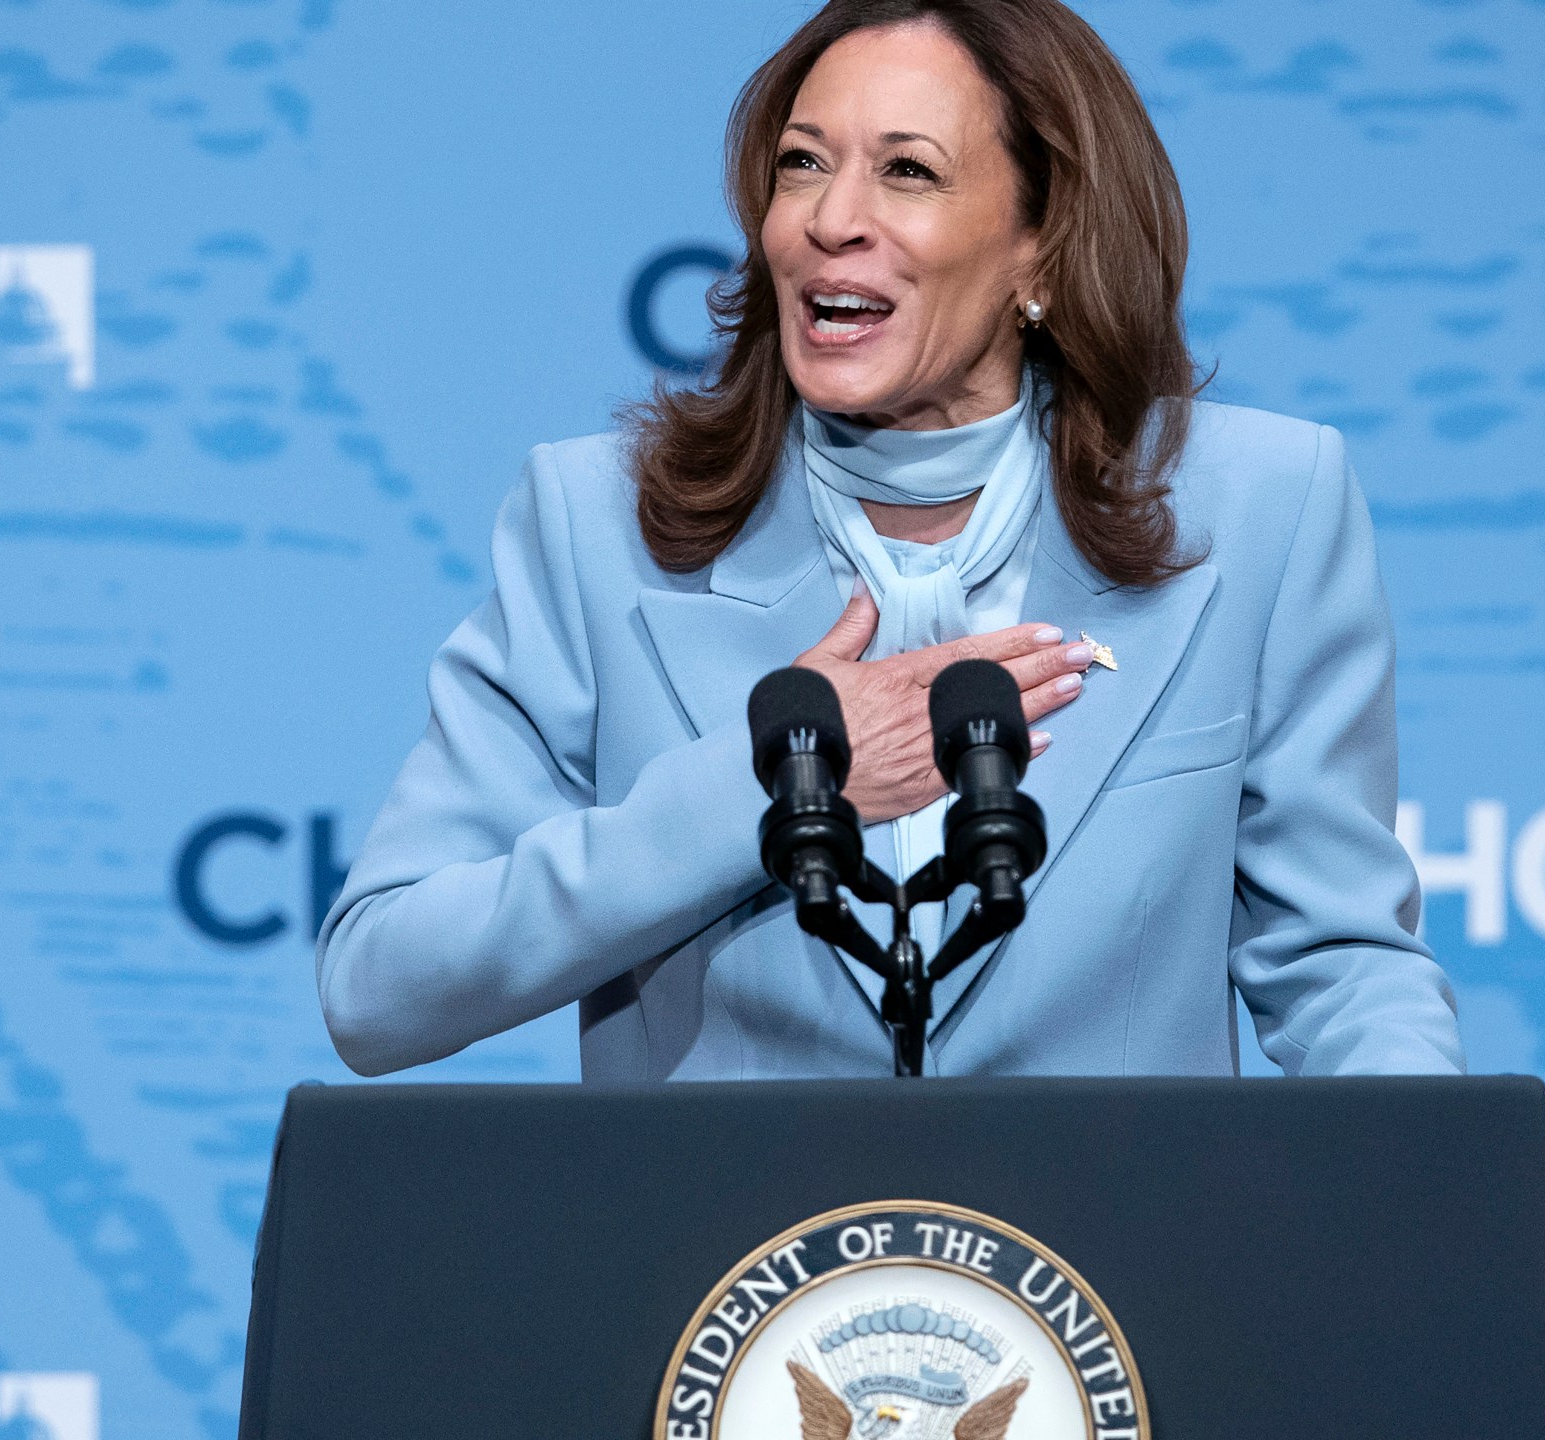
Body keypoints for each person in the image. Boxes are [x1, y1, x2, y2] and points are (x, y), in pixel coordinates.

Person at [315, 0, 1463, 1082]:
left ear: (1042, 247)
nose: (829, 219)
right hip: (723, 1279)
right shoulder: (595, 525)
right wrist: (753, 801)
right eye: (801, 164)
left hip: (1111, 1277)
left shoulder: (1257, 509)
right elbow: (382, 982)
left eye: (906, 172)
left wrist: (1445, 1172)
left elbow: (1338, 963)